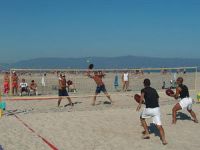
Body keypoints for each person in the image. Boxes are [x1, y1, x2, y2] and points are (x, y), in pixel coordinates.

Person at [136, 78, 167, 145]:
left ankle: (147, 133)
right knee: (159, 126)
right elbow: (157, 99)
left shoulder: (143, 90)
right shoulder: (154, 90)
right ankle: (164, 140)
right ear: (150, 83)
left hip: (149, 109)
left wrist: (139, 105)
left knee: (141, 118)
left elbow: (141, 98)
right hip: (156, 109)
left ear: (144, 84)